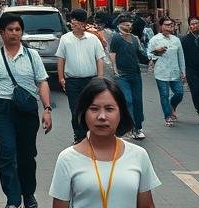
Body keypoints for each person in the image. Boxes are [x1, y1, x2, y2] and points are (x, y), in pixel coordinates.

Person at [48, 77, 160, 208]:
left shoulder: (139, 155)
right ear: (84, 113)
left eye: (109, 109)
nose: (102, 116)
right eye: (94, 109)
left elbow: (147, 205)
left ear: (121, 113)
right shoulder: (67, 159)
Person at [0, 12, 52, 208]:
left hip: (27, 110)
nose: (14, 33)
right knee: (6, 153)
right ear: (2, 33)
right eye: (10, 30)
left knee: (27, 156)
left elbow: (42, 82)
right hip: (2, 109)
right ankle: (12, 199)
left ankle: (28, 194)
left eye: (18, 29)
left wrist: (47, 109)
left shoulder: (32, 56)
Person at [54, 9, 107, 144]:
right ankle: (79, 136)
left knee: (91, 108)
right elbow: (61, 60)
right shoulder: (65, 39)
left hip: (91, 80)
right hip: (72, 81)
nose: (73, 24)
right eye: (71, 21)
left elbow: (99, 59)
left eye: (76, 21)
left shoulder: (93, 39)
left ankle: (92, 134)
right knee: (75, 109)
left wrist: (100, 79)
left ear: (83, 24)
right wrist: (61, 78)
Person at [106, 14, 149, 140]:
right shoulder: (116, 38)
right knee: (128, 100)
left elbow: (140, 54)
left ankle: (138, 127)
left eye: (130, 23)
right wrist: (114, 69)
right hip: (121, 74)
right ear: (119, 25)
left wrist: (151, 58)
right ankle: (128, 127)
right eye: (125, 23)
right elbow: (112, 54)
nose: (128, 25)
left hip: (135, 73)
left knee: (137, 100)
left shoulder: (135, 39)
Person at [147, 17, 186, 127]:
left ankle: (172, 106)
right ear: (161, 26)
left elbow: (181, 56)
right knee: (164, 95)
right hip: (161, 71)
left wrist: (183, 71)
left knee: (179, 93)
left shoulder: (176, 40)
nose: (170, 27)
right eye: (167, 25)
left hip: (175, 71)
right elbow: (149, 55)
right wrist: (156, 51)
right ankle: (167, 116)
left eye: (171, 25)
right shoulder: (155, 40)